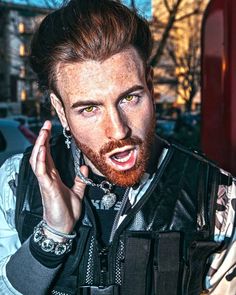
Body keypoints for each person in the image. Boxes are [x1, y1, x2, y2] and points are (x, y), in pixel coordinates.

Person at [0, 0, 235, 294]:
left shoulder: (217, 195)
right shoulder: (15, 182)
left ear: (150, 85)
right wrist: (51, 236)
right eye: (89, 109)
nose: (118, 129)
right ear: (61, 112)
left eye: (129, 98)